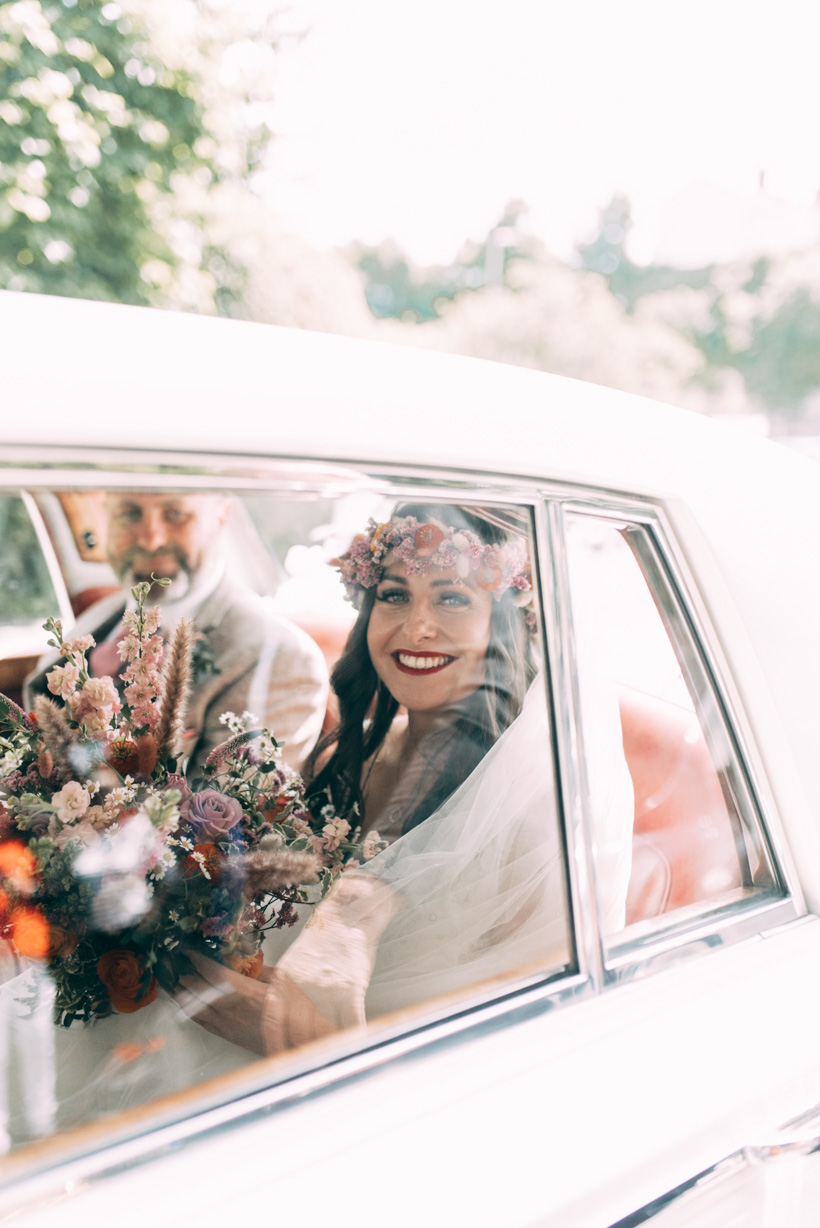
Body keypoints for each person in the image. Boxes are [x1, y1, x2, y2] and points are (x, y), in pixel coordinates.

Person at [176, 504, 634, 1055]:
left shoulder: (541, 813)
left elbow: (533, 1042)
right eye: (394, 595)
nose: (416, 627)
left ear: (508, 622)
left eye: (452, 598)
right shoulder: (341, 760)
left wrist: (281, 1033)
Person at [24, 492, 329, 771]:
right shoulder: (95, 619)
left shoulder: (281, 658)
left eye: (176, 514)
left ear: (221, 516)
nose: (150, 539)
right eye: (129, 513)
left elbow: (227, 809)